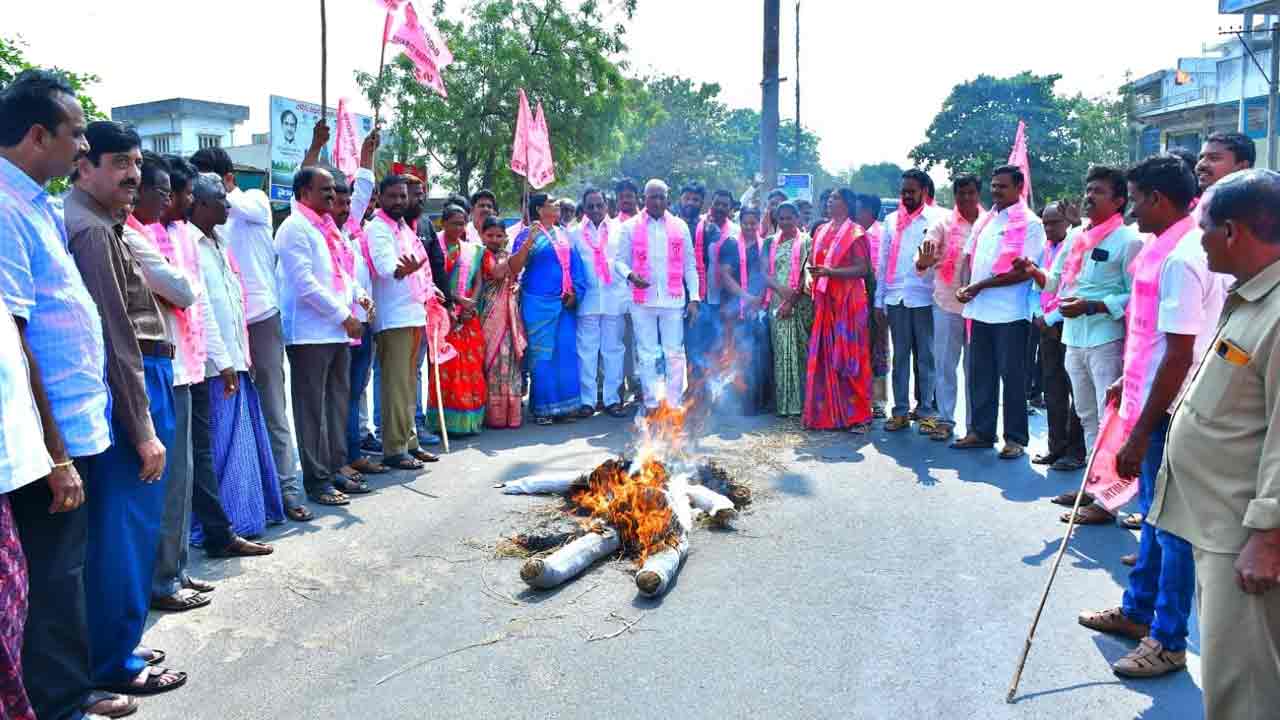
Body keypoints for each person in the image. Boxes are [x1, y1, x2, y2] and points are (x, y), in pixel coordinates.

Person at [0, 69, 144, 720]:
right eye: (76, 134)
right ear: (37, 136)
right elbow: (16, 342)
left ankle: (69, 693)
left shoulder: (34, 201)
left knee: (67, 572)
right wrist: (54, 454)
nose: (83, 147)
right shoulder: (5, 210)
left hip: (74, 426)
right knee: (53, 580)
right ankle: (60, 705)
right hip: (46, 439)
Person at [1077, 154, 1226, 679]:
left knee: (1171, 527)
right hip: (1148, 396)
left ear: (1158, 200)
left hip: (1172, 409)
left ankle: (1168, 639)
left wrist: (1140, 432)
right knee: (1157, 521)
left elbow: (1181, 354)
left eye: (1136, 197)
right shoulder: (1163, 249)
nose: (1131, 206)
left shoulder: (1183, 258)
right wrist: (1127, 380)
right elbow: (1154, 337)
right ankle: (1140, 610)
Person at [1147, 168, 1280, 717]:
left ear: (1231, 233)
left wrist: (1268, 536)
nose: (1196, 240)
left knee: (1242, 687)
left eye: (1203, 228)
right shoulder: (1250, 297)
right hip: (1218, 523)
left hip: (1242, 534)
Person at [66, 120, 187, 695]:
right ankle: (114, 661)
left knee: (131, 528)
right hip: (131, 388)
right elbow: (116, 337)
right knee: (123, 530)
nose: (133, 174)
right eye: (118, 163)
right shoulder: (89, 230)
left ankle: (119, 642)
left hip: (144, 379)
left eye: (136, 162)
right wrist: (141, 427)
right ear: (83, 165)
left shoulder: (107, 224)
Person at [121, 153, 217, 614]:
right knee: (171, 481)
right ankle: (162, 579)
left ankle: (175, 568)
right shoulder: (133, 238)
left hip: (184, 366)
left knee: (184, 477)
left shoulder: (167, 236)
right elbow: (182, 288)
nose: (164, 202)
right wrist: (185, 281)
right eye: (158, 192)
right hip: (161, 370)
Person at [190, 146, 308, 522]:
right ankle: (251, 497)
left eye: (208, 184)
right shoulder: (201, 229)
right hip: (226, 329)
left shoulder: (252, 200)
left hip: (259, 318)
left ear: (227, 180)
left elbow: (242, 207)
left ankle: (289, 491)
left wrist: (219, 192)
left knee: (274, 408)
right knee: (236, 420)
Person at [1020, 166, 1142, 517]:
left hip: (1106, 340)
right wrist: (1032, 272)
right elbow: (1055, 282)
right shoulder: (1076, 237)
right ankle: (1093, 486)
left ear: (1119, 200)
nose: (1089, 196)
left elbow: (1135, 296)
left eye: (1098, 191)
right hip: (1073, 339)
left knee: (1108, 422)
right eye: (1088, 189)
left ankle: (1109, 499)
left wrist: (1094, 305)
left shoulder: (1128, 240)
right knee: (1087, 416)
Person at [186, 173, 283, 555]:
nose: (228, 206)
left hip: (235, 360)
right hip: (215, 366)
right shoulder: (189, 245)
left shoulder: (221, 242)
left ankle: (241, 520)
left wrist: (241, 357)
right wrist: (224, 362)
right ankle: (222, 526)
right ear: (200, 204)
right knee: (221, 448)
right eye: (221, 200)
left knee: (238, 443)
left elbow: (234, 302)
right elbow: (203, 308)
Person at [278, 165, 367, 505]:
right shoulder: (294, 227)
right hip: (309, 335)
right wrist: (344, 316)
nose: (332, 195)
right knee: (312, 410)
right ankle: (317, 481)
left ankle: (335, 469)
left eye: (334, 190)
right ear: (304, 193)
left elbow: (342, 274)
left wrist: (360, 296)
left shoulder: (328, 228)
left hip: (336, 332)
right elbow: (304, 284)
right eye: (325, 190)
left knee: (336, 405)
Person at [952, 165, 1045, 459]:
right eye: (993, 186)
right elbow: (970, 258)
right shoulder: (986, 220)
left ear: (1019, 189)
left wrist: (979, 286)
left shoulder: (1030, 223)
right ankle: (981, 432)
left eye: (1002, 186)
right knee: (981, 375)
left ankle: (1015, 439)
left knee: (1013, 377)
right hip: (980, 311)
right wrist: (965, 285)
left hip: (1011, 313)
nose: (995, 191)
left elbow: (1024, 272)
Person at [367, 175, 442, 470]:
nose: (400, 201)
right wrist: (405, 269)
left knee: (410, 384)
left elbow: (420, 268)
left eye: (403, 196)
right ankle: (394, 449)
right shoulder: (377, 228)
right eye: (394, 197)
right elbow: (385, 267)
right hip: (393, 316)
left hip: (414, 312)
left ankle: (410, 442)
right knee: (396, 384)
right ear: (381, 197)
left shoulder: (403, 227)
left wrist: (428, 284)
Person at [615, 179, 700, 411]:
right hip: (642, 301)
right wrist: (631, 276)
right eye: (653, 196)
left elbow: (690, 265)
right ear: (644, 199)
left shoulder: (680, 226)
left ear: (668, 200)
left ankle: (673, 403)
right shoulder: (629, 226)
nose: (658, 201)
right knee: (647, 354)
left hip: (673, 301)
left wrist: (694, 298)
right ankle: (652, 403)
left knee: (675, 353)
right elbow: (619, 262)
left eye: (662, 197)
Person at [331, 136, 385, 480]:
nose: (346, 208)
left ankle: (353, 452)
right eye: (337, 201)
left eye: (349, 202)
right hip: (336, 325)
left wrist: (367, 155)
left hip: (361, 322)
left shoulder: (350, 230)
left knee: (354, 392)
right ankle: (339, 458)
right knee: (339, 395)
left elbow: (363, 188)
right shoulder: (313, 231)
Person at [914, 173, 983, 442]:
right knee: (945, 364)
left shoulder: (989, 224)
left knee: (975, 369)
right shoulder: (942, 224)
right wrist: (923, 262)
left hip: (981, 307)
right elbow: (922, 257)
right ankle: (945, 419)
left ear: (978, 195)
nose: (965, 198)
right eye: (960, 193)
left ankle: (975, 426)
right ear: (954, 196)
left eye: (970, 193)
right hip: (946, 303)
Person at [876, 169, 944, 432]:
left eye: (911, 191)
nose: (906, 195)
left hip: (925, 298)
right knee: (900, 357)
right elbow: (882, 263)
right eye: (903, 191)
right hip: (896, 297)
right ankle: (900, 411)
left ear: (924, 192)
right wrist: (879, 301)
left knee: (926, 356)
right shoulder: (892, 221)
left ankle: (926, 411)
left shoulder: (938, 219)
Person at [514, 194, 588, 424]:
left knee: (566, 352)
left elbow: (577, 266)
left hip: (564, 303)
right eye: (551, 203)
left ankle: (567, 407)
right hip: (537, 304)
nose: (557, 206)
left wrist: (576, 292)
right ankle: (543, 408)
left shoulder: (564, 234)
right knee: (542, 356)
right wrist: (528, 242)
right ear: (539, 209)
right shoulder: (527, 234)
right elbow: (515, 266)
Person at [804, 188, 873, 433]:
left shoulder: (856, 233)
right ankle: (828, 414)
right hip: (825, 301)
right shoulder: (821, 230)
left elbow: (863, 268)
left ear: (846, 204)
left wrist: (831, 273)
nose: (829, 202)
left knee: (850, 355)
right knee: (826, 355)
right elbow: (813, 263)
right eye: (829, 198)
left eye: (834, 198)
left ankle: (859, 416)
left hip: (849, 302)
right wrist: (816, 275)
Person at [1027, 203, 1086, 470]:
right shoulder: (1043, 250)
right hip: (1046, 327)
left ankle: (1075, 452)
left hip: (1070, 324)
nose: (1049, 228)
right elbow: (1035, 287)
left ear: (1068, 223)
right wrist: (1039, 316)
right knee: (1053, 389)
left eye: (1055, 222)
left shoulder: (1078, 244)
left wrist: (1051, 319)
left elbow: (1072, 287)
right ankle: (1056, 447)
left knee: (1078, 392)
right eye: (1046, 223)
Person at [425, 206, 487, 434]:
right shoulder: (434, 247)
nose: (459, 228)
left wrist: (471, 302)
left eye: (462, 224)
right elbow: (431, 279)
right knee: (446, 369)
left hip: (468, 316)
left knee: (471, 367)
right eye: (454, 223)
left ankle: (469, 422)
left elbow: (479, 280)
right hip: (442, 315)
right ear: (443, 223)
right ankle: (444, 422)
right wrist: (455, 301)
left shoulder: (471, 250)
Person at [572, 187, 629, 418]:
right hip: (588, 300)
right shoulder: (574, 233)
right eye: (590, 206)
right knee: (586, 352)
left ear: (607, 206)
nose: (595, 210)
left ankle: (612, 399)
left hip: (614, 297)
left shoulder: (620, 230)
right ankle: (587, 400)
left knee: (613, 351)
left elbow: (626, 260)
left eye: (599, 205)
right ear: (584, 208)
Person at [717, 203, 774, 415]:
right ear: (740, 223)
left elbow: (768, 272)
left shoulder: (765, 244)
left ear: (759, 223)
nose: (750, 226)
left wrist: (760, 298)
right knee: (740, 354)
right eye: (746, 222)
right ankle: (740, 403)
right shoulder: (730, 244)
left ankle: (759, 401)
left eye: (754, 222)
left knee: (759, 355)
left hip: (759, 307)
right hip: (736, 308)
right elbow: (725, 275)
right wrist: (746, 296)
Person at [479, 216, 532, 428]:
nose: (494, 239)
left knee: (510, 361)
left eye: (499, 235)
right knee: (491, 362)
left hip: (510, 316)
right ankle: (493, 416)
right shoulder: (480, 255)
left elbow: (514, 274)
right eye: (490, 235)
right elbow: (498, 273)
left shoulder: (507, 255)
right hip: (489, 316)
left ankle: (511, 414)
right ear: (482, 236)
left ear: (505, 236)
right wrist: (526, 245)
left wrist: (517, 285)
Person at [761, 205, 813, 417]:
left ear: (797, 218)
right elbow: (763, 273)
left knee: (801, 352)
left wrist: (792, 299)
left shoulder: (807, 242)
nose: (785, 223)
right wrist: (781, 290)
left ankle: (803, 404)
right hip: (776, 301)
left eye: (789, 218)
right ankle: (785, 404)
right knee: (781, 352)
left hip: (800, 303)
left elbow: (807, 273)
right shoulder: (769, 242)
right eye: (781, 219)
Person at [689, 190, 738, 395]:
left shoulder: (734, 232)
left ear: (730, 208)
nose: (720, 208)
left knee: (718, 347)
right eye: (717, 203)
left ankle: (715, 392)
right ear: (711, 203)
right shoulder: (698, 226)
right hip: (701, 299)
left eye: (724, 205)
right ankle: (696, 390)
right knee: (696, 347)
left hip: (722, 301)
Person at [853, 194, 890, 419]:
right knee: (857, 347)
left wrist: (879, 300)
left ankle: (878, 400)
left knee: (879, 349)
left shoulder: (882, 233)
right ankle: (859, 396)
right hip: (854, 297)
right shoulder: (850, 232)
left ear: (868, 211)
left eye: (857, 209)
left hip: (876, 297)